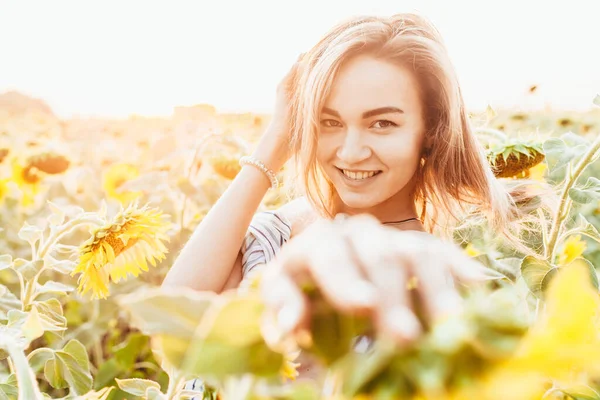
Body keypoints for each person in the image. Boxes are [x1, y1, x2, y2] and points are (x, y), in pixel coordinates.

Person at [162, 12, 526, 347]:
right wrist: (275, 140)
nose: (351, 152)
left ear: (430, 130)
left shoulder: (438, 286)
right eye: (330, 122)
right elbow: (170, 319)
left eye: (382, 123)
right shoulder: (279, 229)